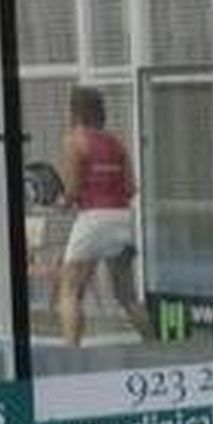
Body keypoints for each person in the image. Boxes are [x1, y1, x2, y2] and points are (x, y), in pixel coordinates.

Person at [57, 86, 154, 346]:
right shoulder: (117, 143)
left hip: (92, 219)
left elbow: (73, 190)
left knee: (69, 291)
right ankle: (156, 348)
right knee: (127, 297)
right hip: (122, 219)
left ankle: (71, 353)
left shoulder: (74, 140)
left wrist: (60, 203)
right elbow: (132, 188)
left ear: (74, 111)